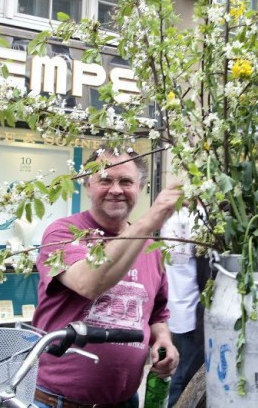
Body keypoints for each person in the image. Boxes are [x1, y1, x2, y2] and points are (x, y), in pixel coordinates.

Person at [31, 148, 181, 407]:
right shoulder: (64, 233)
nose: (116, 189)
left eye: (126, 181)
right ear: (87, 185)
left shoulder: (151, 248)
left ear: (141, 187)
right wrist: (148, 222)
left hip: (125, 401)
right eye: (105, 180)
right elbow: (88, 283)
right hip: (58, 402)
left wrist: (163, 340)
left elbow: (156, 315)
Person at [161, 206, 209, 407]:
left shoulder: (173, 219)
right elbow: (203, 273)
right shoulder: (194, 219)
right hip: (192, 313)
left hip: (178, 309)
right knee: (186, 379)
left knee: (179, 375)